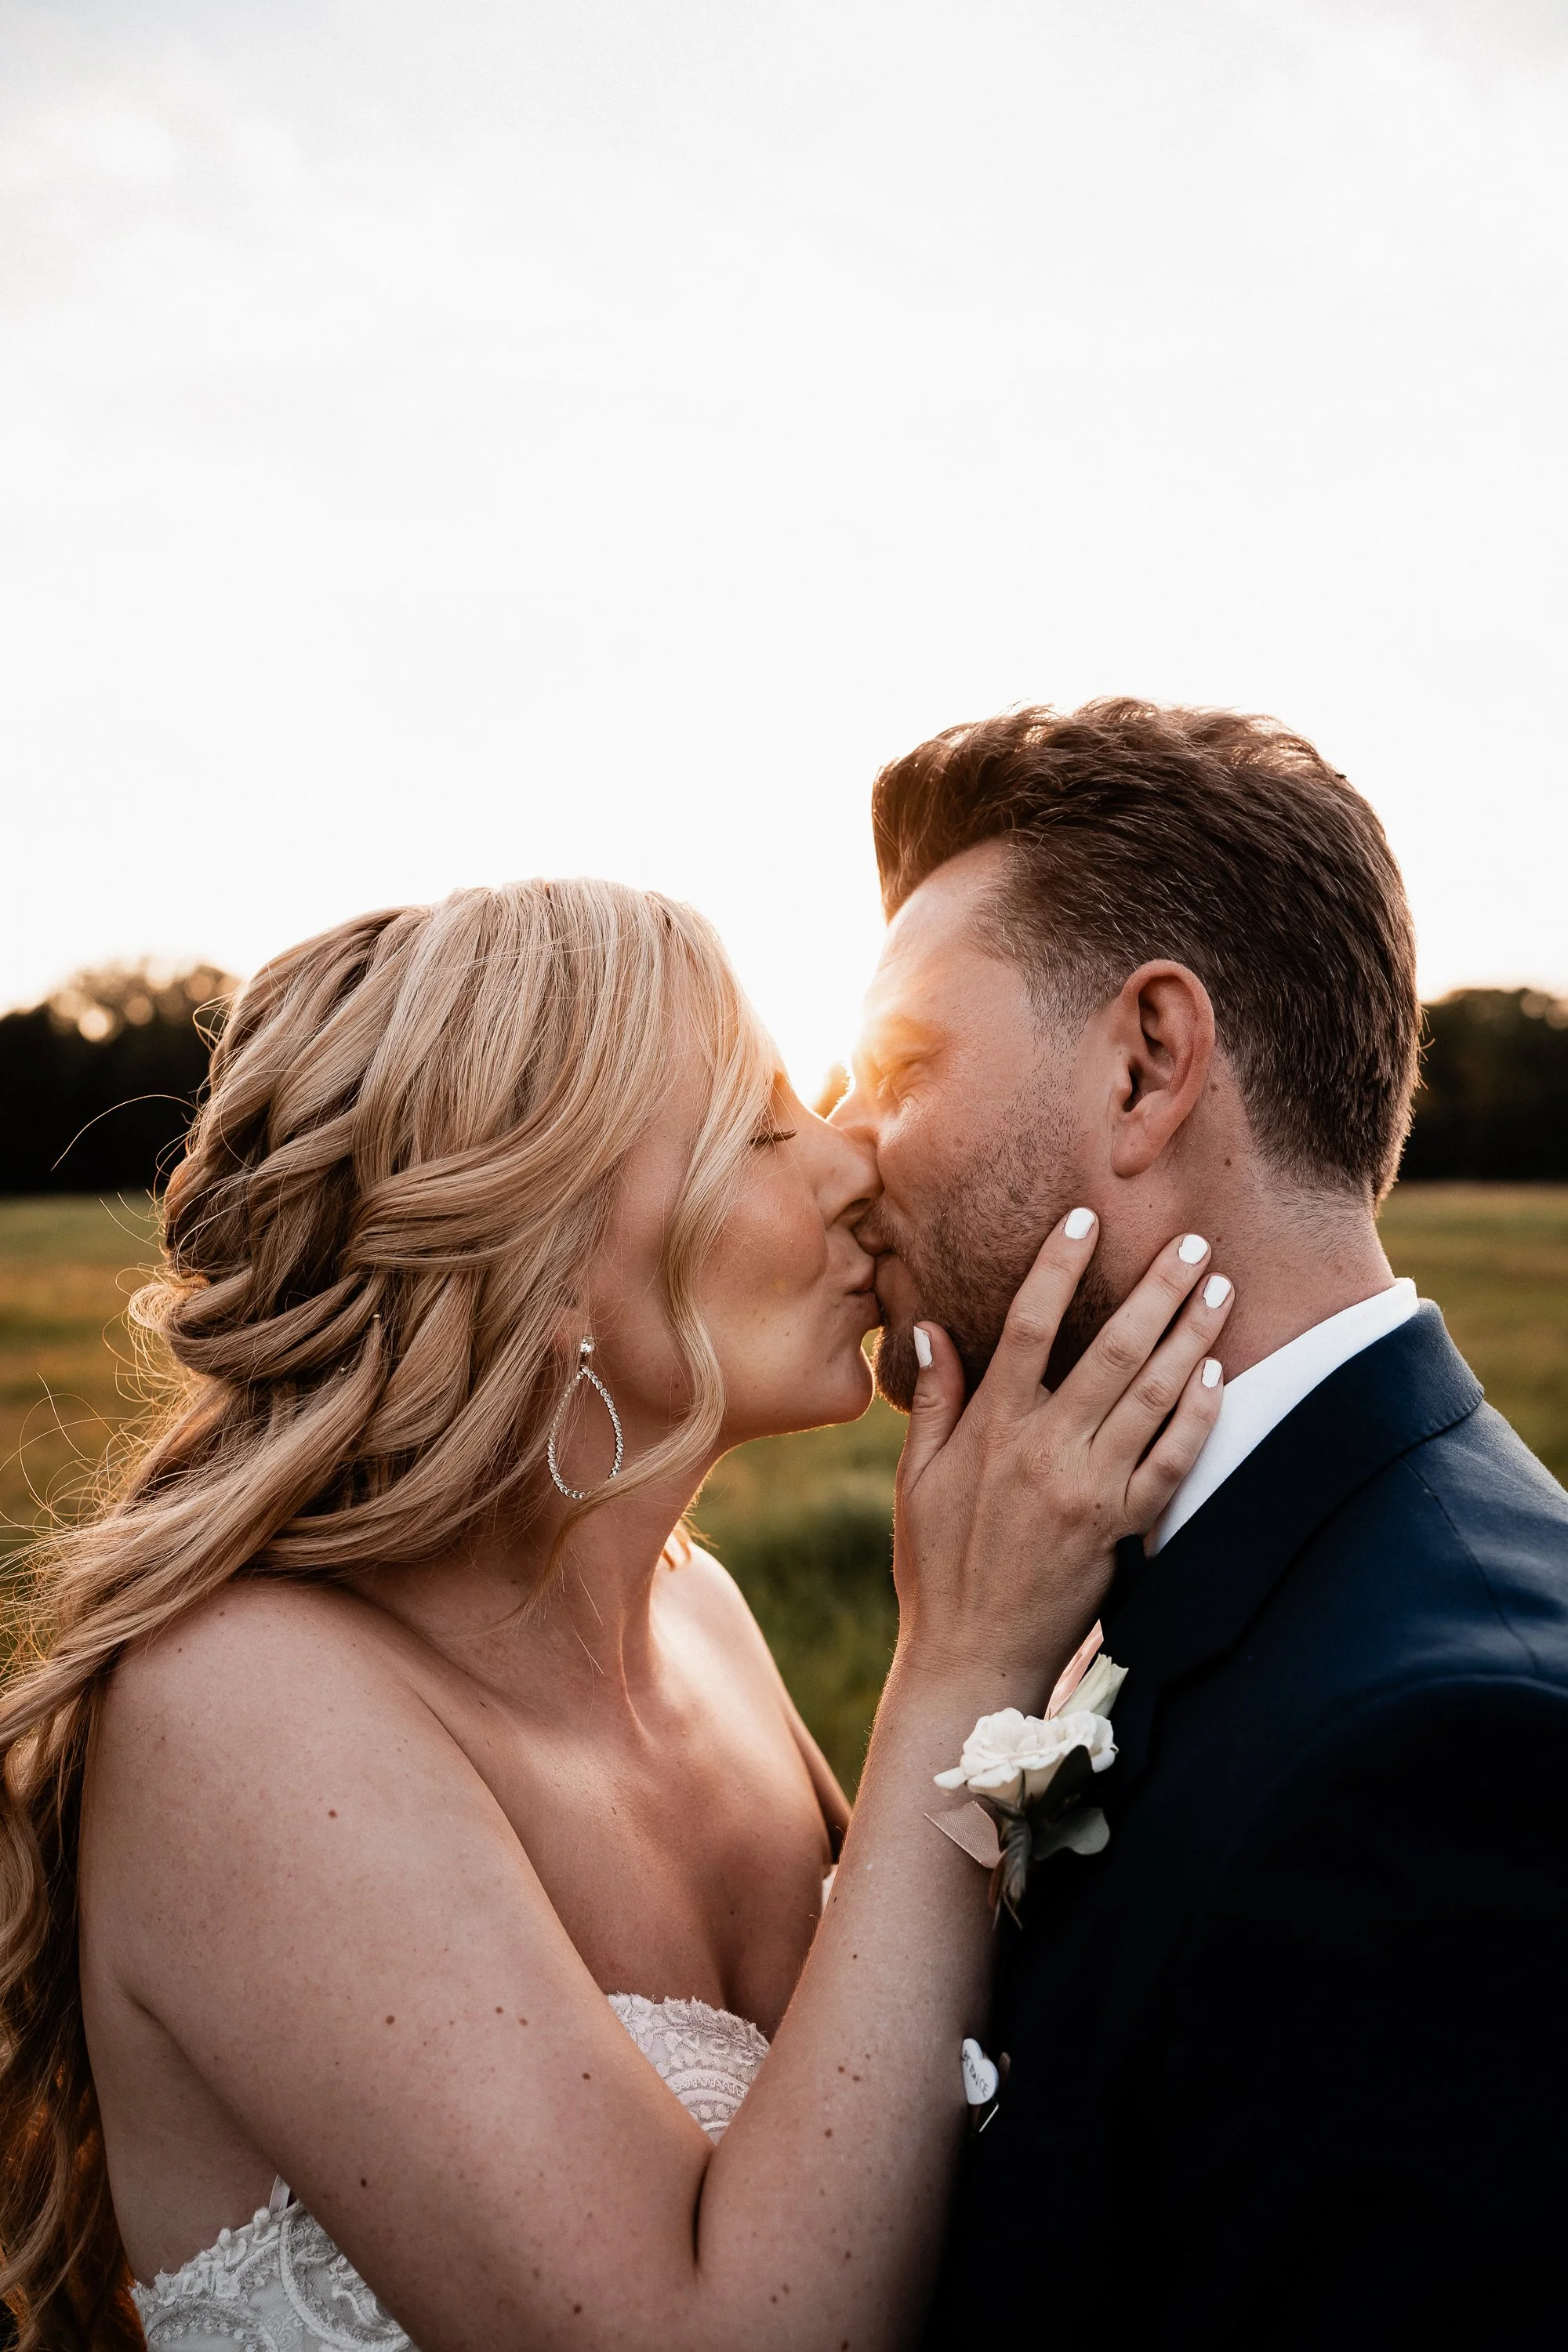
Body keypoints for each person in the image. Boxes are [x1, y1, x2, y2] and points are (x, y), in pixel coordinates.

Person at [0, 877, 1235, 2352]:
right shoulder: (245, 1710)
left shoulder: (705, 1619)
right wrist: (963, 1665)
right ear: (546, 1259)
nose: (854, 1160)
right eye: (761, 1129)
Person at [835, 699, 1568, 2347]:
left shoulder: (1447, 1756)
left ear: (1148, 1066)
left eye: (899, 1070)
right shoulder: (1146, 1563)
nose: (843, 1153)